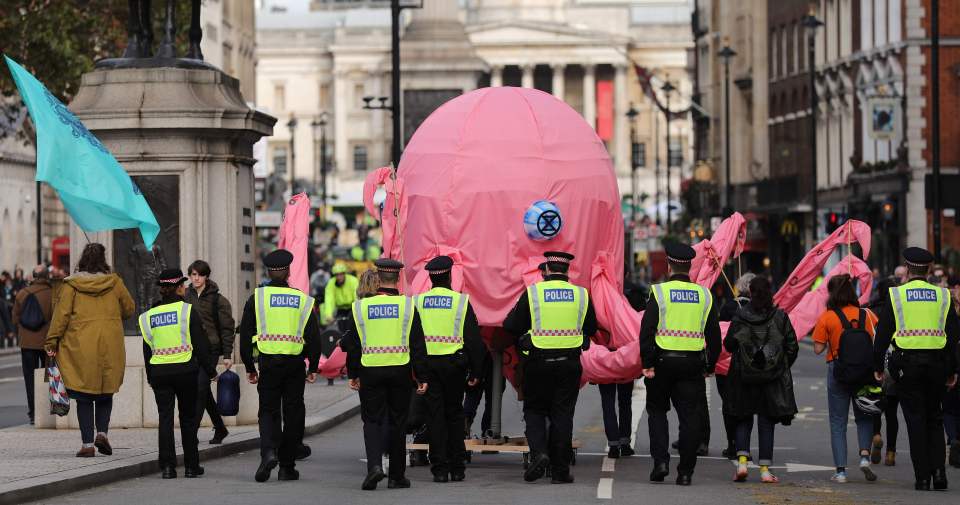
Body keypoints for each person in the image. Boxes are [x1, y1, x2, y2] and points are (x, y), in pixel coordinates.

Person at [504, 251, 597, 484]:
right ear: (567, 270)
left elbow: (512, 325)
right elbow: (592, 327)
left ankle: (539, 454)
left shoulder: (533, 293)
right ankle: (560, 471)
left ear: (545, 270)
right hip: (569, 365)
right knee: (562, 415)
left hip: (538, 363)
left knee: (534, 411)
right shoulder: (581, 295)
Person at [874, 247, 960, 491]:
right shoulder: (943, 296)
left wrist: (878, 365)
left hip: (907, 366)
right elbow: (953, 337)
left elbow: (882, 335)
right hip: (937, 366)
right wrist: (953, 369)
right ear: (930, 269)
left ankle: (922, 476)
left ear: (908, 268)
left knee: (915, 420)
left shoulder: (896, 295)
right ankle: (940, 473)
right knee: (935, 418)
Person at [341, 258, 429, 491]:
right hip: (400, 370)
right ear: (397, 278)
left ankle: (374, 467)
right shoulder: (408, 306)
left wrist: (353, 373)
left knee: (372, 420)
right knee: (398, 422)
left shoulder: (360, 307)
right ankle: (396, 476)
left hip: (370, 370)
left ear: (378, 278)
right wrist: (422, 376)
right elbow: (418, 344)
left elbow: (353, 343)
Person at [638, 242, 722, 486]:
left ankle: (661, 462)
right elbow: (714, 337)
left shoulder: (659, 292)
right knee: (690, 418)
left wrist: (647, 362)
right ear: (690, 267)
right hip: (692, 365)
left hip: (663, 363)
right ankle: (685, 471)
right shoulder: (704, 295)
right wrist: (710, 365)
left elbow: (647, 330)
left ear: (669, 265)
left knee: (656, 413)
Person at [44, 243, 135, 457]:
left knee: (84, 397)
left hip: (80, 346)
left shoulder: (71, 285)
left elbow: (61, 317)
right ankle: (102, 432)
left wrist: (51, 342)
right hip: (109, 345)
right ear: (103, 260)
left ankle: (87, 445)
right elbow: (129, 308)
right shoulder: (115, 282)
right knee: (105, 391)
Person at [239, 249, 322, 483]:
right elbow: (314, 336)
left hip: (268, 364)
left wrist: (249, 366)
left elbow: (245, 334)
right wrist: (313, 366)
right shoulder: (302, 300)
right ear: (288, 272)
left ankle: (268, 452)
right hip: (294, 365)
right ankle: (287, 466)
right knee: (294, 412)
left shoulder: (257, 298)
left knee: (268, 411)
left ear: (268, 271)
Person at [140, 269, 216, 478]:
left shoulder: (149, 316)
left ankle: (167, 467)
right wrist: (211, 370)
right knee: (188, 419)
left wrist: (150, 374)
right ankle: (191, 466)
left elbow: (147, 349)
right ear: (179, 287)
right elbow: (200, 345)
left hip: (159, 373)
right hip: (185, 371)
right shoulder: (187, 311)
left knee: (165, 419)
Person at [416, 255, 484, 482]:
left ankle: (440, 469)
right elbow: (474, 341)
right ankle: (457, 467)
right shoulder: (461, 302)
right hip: (454, 366)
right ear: (450, 275)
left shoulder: (418, 301)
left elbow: (413, 338)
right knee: (454, 414)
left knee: (434, 416)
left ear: (430, 278)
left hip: (428, 366)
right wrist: (476, 372)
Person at [725, 276, 798, 483]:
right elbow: (792, 347)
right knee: (767, 422)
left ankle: (741, 463)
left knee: (743, 418)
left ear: (750, 291)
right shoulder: (780, 317)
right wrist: (778, 366)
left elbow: (729, 344)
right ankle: (765, 470)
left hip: (744, 377)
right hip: (771, 379)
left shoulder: (741, 315)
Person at [811, 274, 879, 483]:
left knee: (838, 421)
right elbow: (878, 338)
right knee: (864, 414)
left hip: (838, 370)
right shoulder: (867, 314)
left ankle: (840, 471)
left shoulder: (828, 317)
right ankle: (865, 457)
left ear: (832, 294)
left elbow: (817, 348)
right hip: (865, 371)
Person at [184, 259, 236, 445]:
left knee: (199, 389)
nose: (196, 278)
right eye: (193, 274)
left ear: (206, 276)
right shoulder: (185, 296)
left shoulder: (218, 300)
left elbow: (227, 329)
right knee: (203, 391)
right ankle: (220, 428)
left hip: (211, 350)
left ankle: (191, 432)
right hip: (190, 350)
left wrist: (228, 355)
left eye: (200, 274)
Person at [715, 273, 755, 459]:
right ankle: (744, 445)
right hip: (751, 365)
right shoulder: (759, 308)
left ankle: (732, 443)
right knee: (748, 405)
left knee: (728, 405)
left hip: (725, 366)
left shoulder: (728, 307)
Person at [13, 265, 54, 425]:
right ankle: (47, 410)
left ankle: (33, 412)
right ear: (46, 276)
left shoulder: (22, 294)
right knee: (48, 376)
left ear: (33, 276)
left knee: (29, 378)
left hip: (27, 343)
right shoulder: (52, 294)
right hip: (47, 342)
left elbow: (15, 319)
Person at [322, 263, 359, 333]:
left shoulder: (353, 280)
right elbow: (329, 299)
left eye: (341, 274)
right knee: (340, 329)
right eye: (337, 275)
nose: (339, 277)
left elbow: (357, 297)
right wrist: (328, 315)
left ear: (345, 274)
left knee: (353, 329)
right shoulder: (331, 283)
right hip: (340, 309)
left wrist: (358, 312)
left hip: (352, 308)